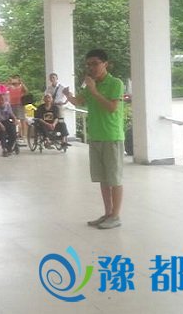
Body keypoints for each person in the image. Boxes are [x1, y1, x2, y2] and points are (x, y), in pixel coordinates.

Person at [63, 49, 124, 230]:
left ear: (105, 64)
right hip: (96, 136)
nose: (91, 67)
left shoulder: (115, 83)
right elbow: (79, 101)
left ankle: (116, 216)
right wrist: (68, 96)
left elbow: (112, 107)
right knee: (103, 179)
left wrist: (94, 91)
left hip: (111, 136)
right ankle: (108, 213)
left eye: (95, 63)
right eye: (88, 64)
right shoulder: (90, 84)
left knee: (114, 179)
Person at [7, 74, 28, 141]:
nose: (16, 80)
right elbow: (5, 90)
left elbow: (26, 91)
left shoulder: (21, 86)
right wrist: (9, 82)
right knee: (14, 120)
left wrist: (22, 82)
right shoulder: (10, 86)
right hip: (12, 104)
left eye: (17, 79)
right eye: (14, 78)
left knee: (22, 120)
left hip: (20, 104)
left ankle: (24, 135)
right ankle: (15, 134)